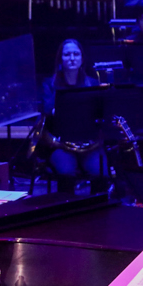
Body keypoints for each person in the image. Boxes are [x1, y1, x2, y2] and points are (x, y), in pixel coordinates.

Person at [41, 39, 104, 191]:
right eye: (67, 54)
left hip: (89, 144)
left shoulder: (93, 84)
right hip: (61, 144)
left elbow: (101, 114)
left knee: (101, 173)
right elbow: (47, 112)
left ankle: (98, 210)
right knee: (66, 173)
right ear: (60, 59)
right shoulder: (49, 84)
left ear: (82, 59)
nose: (72, 58)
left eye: (76, 54)